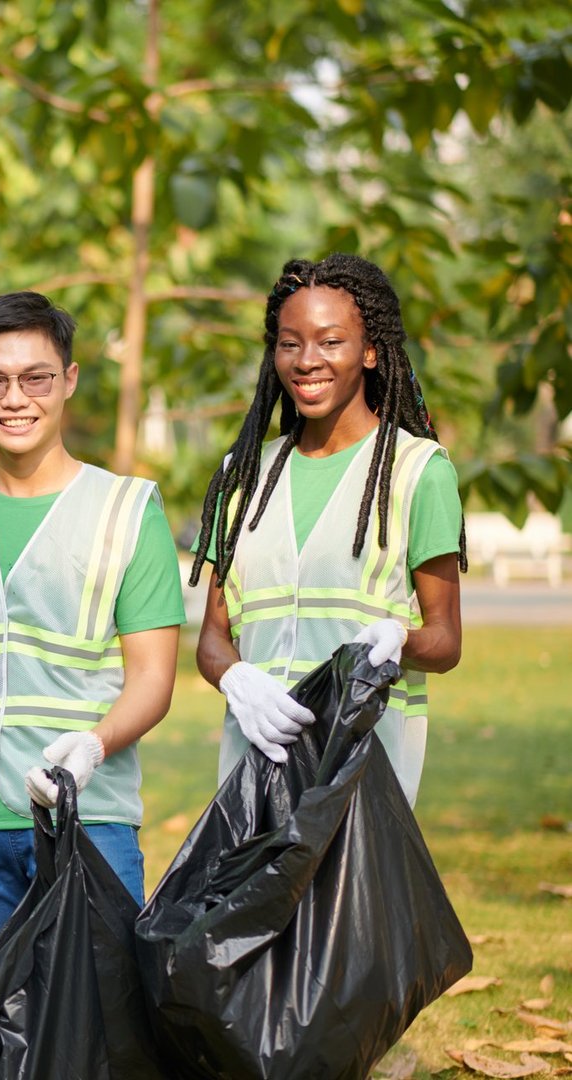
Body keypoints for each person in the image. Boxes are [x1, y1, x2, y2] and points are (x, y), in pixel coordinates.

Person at [0, 291, 184, 976]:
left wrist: (94, 744)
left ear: (69, 381)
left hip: (87, 817)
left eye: (36, 378)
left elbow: (153, 677)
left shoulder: (125, 510)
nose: (14, 398)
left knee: (98, 1025)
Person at [190, 253, 465, 804]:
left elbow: (446, 641)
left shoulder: (418, 473)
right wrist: (237, 682)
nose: (306, 360)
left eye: (330, 341)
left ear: (369, 351)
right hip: (254, 775)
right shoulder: (240, 476)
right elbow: (213, 639)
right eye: (290, 343)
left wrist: (398, 641)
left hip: (363, 770)